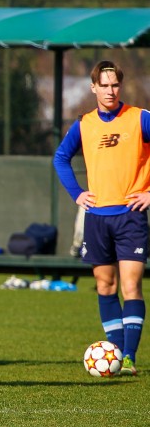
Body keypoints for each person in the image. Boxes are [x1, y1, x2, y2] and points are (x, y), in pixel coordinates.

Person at [53, 60, 150, 376]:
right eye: (104, 85)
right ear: (93, 87)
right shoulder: (84, 124)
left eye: (115, 85)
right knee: (105, 285)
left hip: (131, 216)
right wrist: (77, 194)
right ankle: (116, 352)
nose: (110, 91)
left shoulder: (139, 118)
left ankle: (128, 358)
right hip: (96, 217)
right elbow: (61, 158)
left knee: (131, 285)